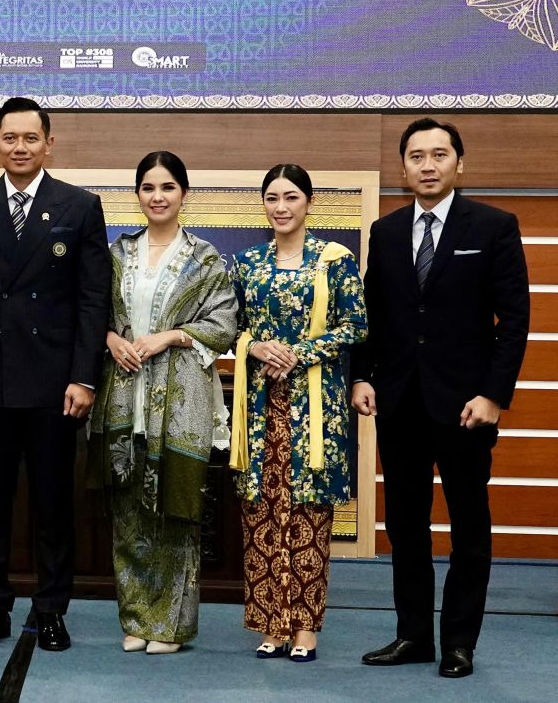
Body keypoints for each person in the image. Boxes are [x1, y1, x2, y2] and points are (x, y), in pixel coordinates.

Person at [354, 119, 529, 679]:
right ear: (402, 168)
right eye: (416, 156)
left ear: (460, 163)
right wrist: (362, 377)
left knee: (468, 529)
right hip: (399, 402)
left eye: (439, 154)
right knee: (406, 527)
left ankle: (458, 642)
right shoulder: (385, 232)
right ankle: (412, 635)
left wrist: (494, 394)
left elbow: (515, 320)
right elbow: (370, 318)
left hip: (465, 407)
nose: (427, 165)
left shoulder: (496, 226)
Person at [0, 96, 112, 652]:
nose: (20, 147)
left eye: (30, 138)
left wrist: (84, 377)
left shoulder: (80, 205)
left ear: (49, 143)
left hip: (53, 382)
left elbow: (93, 300)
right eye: (9, 138)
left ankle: (52, 608)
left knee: (53, 503)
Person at [88, 151, 237, 655]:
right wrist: (111, 339)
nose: (158, 196)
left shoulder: (206, 257)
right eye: (148, 187)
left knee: (173, 513)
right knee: (127, 510)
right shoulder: (114, 254)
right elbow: (89, 313)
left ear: (184, 194)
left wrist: (169, 336)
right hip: (122, 396)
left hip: (180, 403)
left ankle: (169, 625)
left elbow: (223, 326)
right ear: (137, 194)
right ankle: (135, 618)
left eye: (168, 187)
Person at [229, 164, 366, 663]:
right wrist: (259, 347)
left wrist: (299, 352)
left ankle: (306, 627)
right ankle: (270, 622)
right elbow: (232, 328)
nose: (281, 206)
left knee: (308, 515)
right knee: (261, 512)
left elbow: (355, 325)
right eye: (272, 197)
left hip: (315, 407)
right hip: (261, 406)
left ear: (309, 202)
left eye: (290, 196)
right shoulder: (246, 264)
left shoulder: (335, 260)